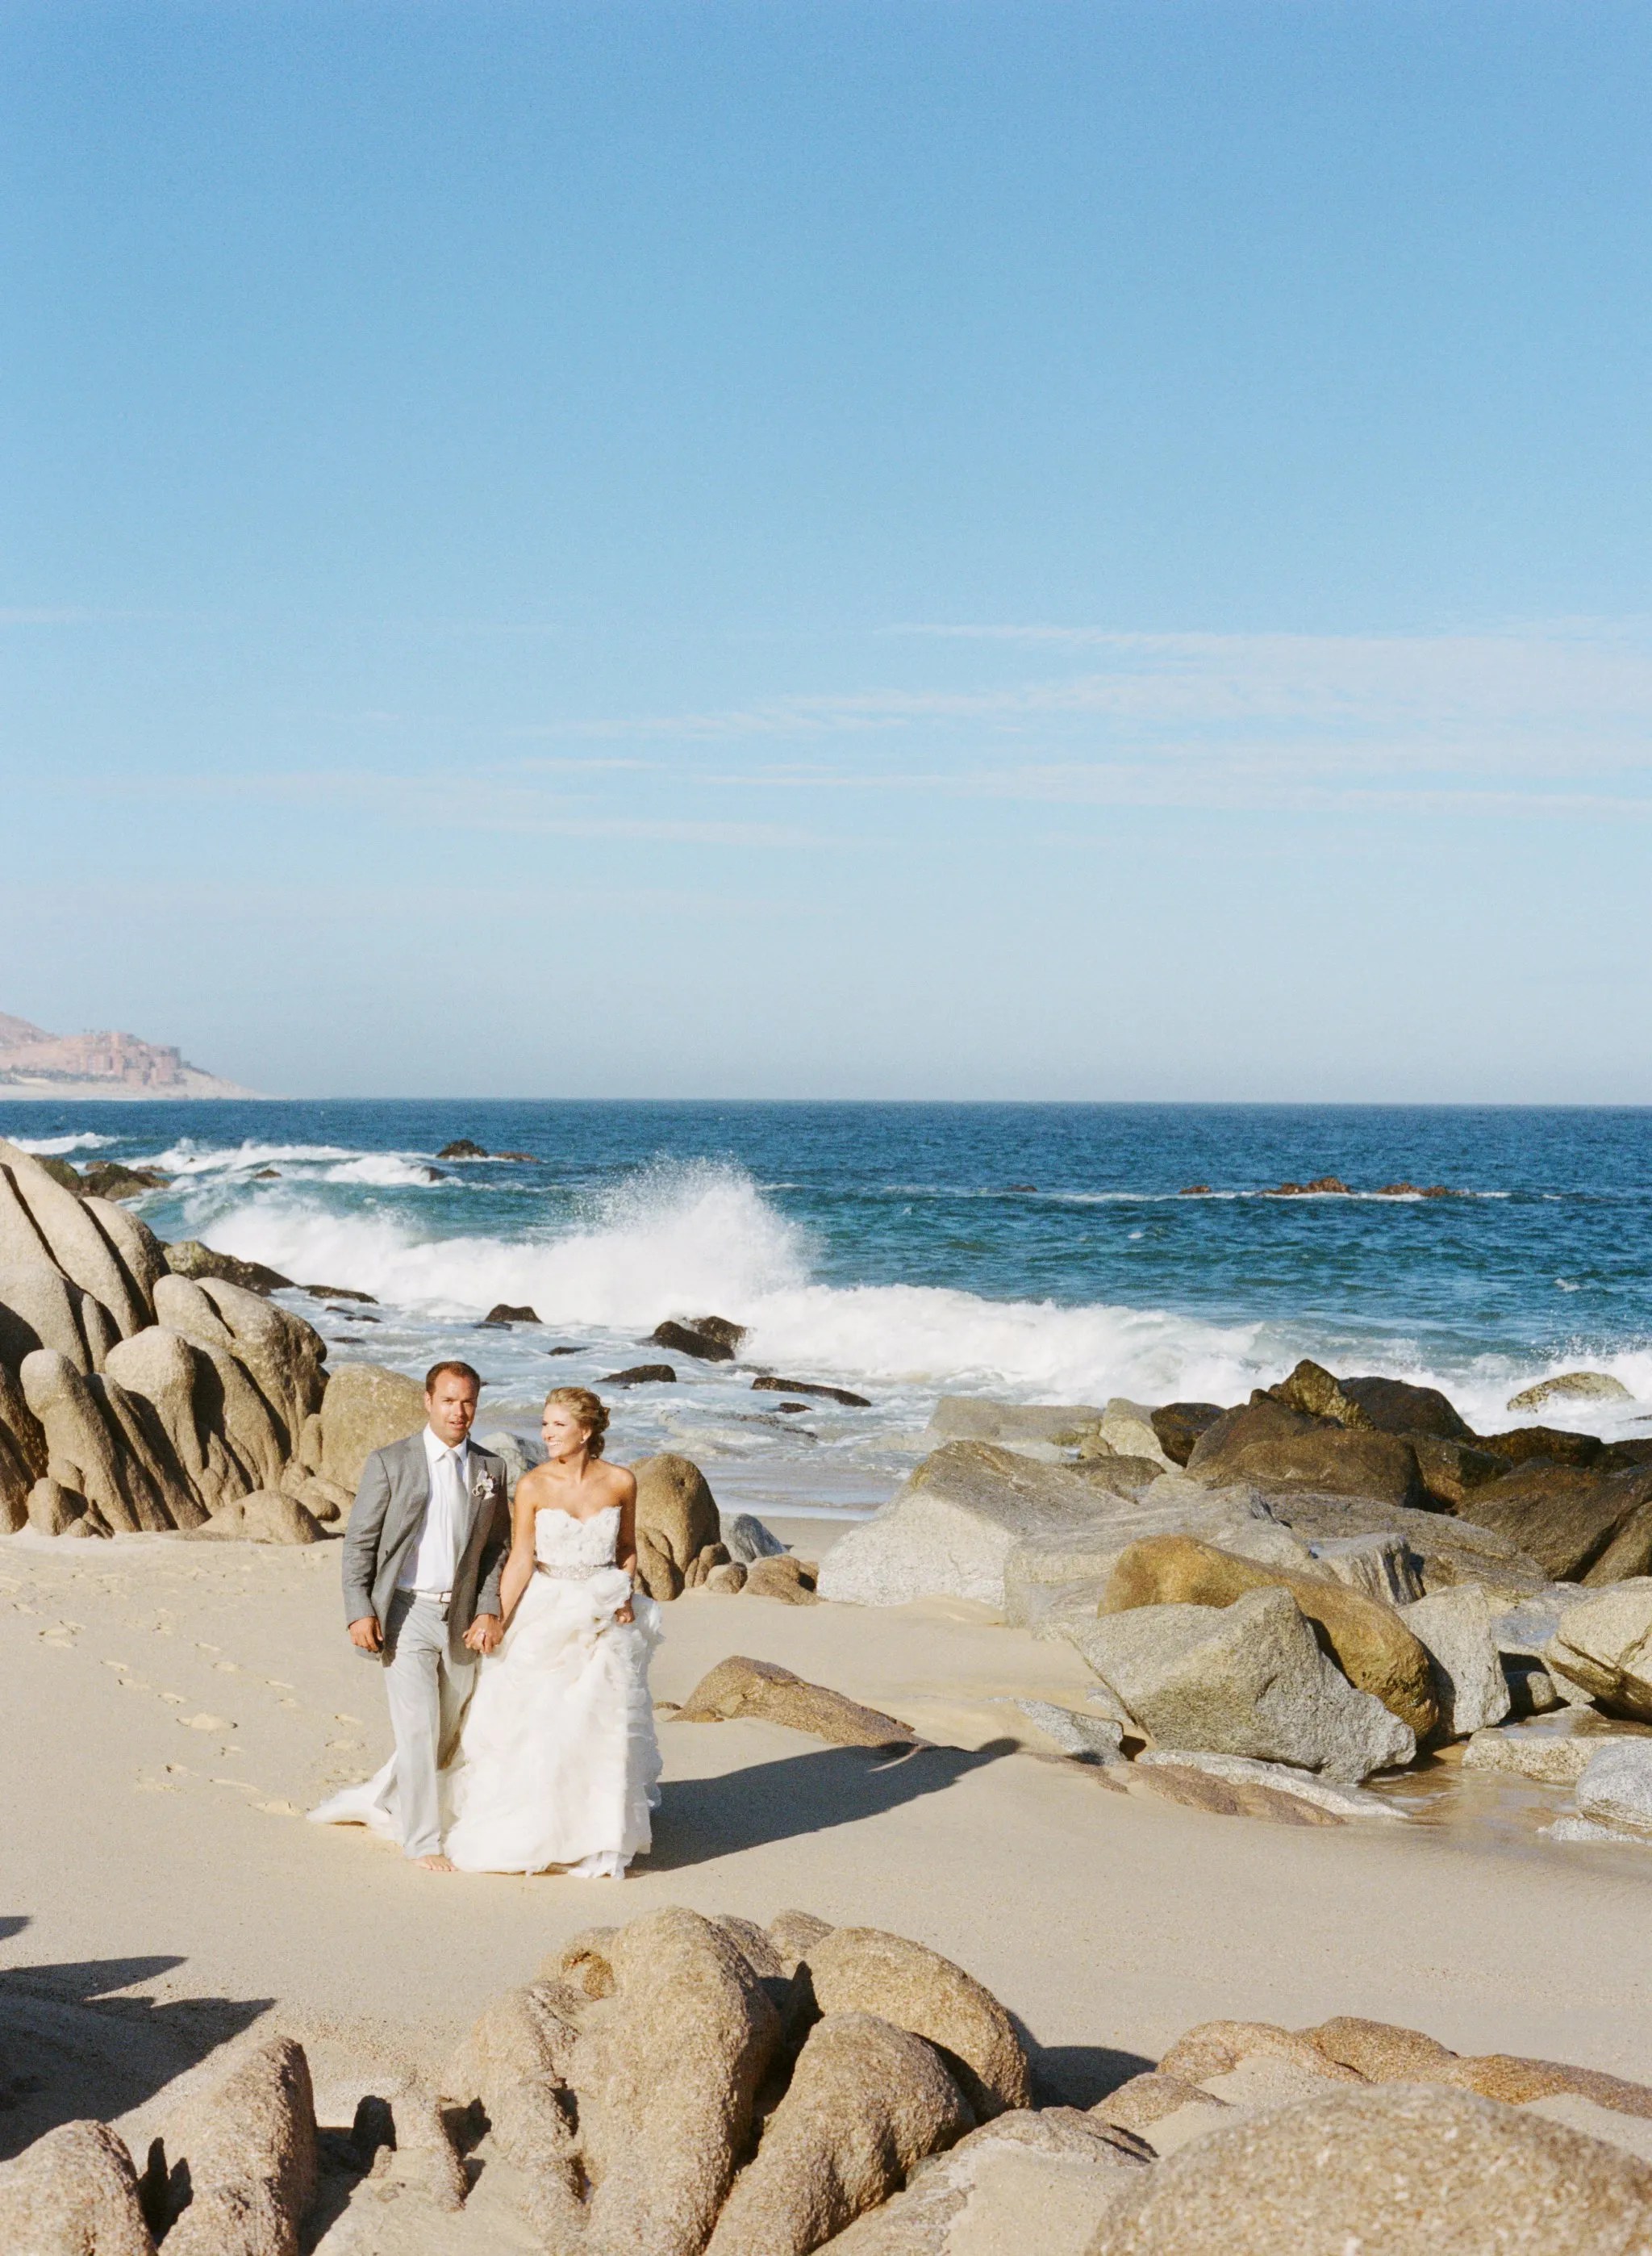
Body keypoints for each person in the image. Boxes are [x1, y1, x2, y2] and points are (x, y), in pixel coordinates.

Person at [314, 1385, 662, 1880]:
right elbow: (518, 1557)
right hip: (541, 1611)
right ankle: (500, 1829)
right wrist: (494, 1615)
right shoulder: (533, 1485)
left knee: (595, 1727)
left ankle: (593, 1834)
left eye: (557, 1425)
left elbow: (626, 1548)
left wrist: (623, 1592)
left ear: (586, 1431)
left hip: (604, 1617)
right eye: (544, 1424)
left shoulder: (622, 1482)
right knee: (532, 1725)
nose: (546, 1434)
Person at [315, 1360, 511, 1872]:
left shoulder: (491, 1469)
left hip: (463, 1617)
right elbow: (359, 1543)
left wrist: (488, 1608)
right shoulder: (389, 1463)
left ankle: (383, 1799)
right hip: (404, 1613)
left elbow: (496, 1549)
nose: (459, 1411)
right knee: (419, 1729)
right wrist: (359, 1610)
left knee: (448, 1728)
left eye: (467, 1401)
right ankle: (422, 1840)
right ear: (428, 1401)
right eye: (448, 1400)